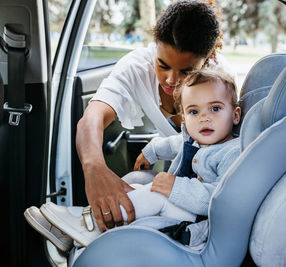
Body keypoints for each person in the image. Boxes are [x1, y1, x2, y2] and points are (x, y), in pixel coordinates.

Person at [24, 69, 241, 250]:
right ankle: (71, 234)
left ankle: (90, 225)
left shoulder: (231, 153)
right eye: (194, 112)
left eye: (215, 108)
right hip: (183, 209)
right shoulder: (198, 140)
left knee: (155, 194)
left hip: (198, 224)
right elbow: (176, 144)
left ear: (235, 115)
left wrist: (176, 187)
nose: (204, 117)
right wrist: (151, 151)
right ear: (184, 118)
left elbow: (218, 199)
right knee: (135, 187)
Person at [75, 0, 232, 233]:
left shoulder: (219, 85)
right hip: (178, 171)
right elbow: (92, 117)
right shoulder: (136, 68)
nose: (171, 80)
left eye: (186, 71)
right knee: (136, 181)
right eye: (163, 65)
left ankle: (94, 226)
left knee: (155, 198)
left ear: (207, 59)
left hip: (203, 192)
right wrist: (94, 167)